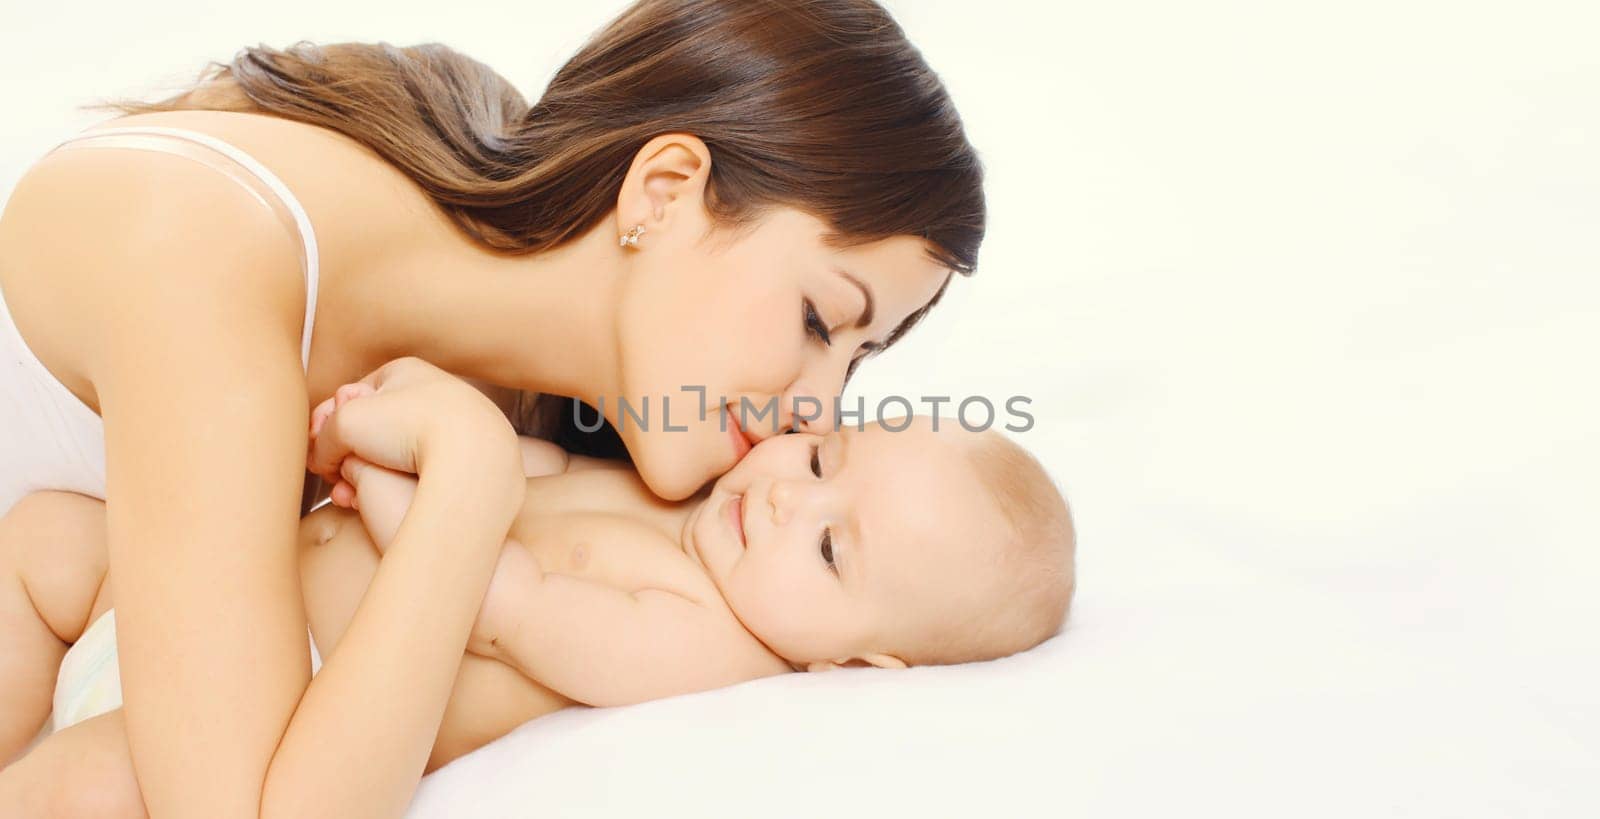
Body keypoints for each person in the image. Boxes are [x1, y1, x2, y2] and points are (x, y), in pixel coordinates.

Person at [0, 1, 986, 814]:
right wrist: (464, 483)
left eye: (857, 366)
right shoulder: (213, 264)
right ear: (664, 191)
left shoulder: (540, 394)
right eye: (820, 319)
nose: (816, 413)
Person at [0, 370, 1073, 818]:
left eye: (834, 553)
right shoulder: (669, 495)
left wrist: (388, 484)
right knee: (48, 538)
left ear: (857, 664)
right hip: (215, 599)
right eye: (820, 461)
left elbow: (497, 600)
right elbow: (523, 466)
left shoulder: (703, 646)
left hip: (279, 707)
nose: (788, 501)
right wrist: (393, 413)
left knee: (97, 783)